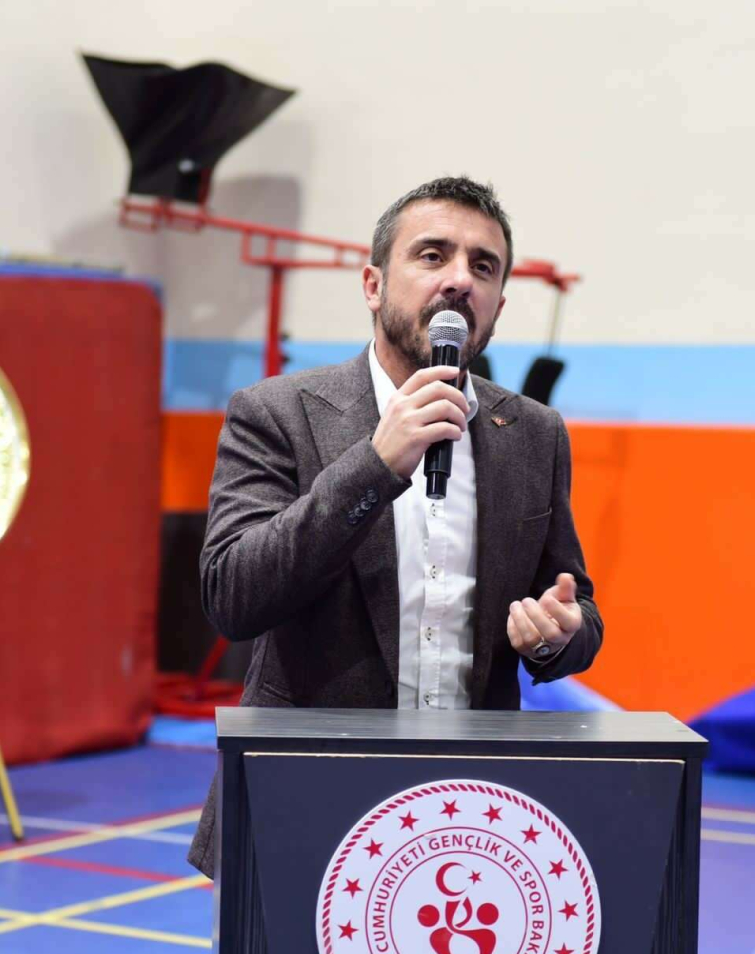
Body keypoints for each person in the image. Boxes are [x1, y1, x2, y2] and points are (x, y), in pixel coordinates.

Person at [187, 177, 604, 877]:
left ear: (498, 306)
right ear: (374, 285)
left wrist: (559, 635)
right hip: (300, 802)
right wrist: (374, 465)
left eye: (482, 266)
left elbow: (576, 610)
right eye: (432, 255)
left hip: (471, 819)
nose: (459, 279)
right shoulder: (277, 413)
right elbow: (233, 597)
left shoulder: (535, 435)